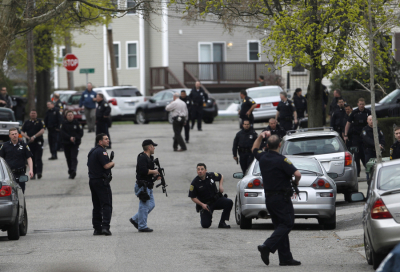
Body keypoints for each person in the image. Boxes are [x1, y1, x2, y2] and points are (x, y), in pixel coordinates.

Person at [252, 132, 302, 267]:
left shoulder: (262, 156)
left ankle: (285, 258)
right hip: (281, 198)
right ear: (280, 145)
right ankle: (267, 246)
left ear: (267, 146)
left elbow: (254, 149)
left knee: (280, 226)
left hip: (269, 198)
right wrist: (296, 183)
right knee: (287, 223)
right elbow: (297, 174)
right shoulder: (282, 160)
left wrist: (260, 136)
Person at [188, 163, 233, 229]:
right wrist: (202, 204)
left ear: (205, 170)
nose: (200, 171)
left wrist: (220, 186)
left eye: (202, 169)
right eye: (198, 169)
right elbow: (193, 197)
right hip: (206, 205)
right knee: (205, 225)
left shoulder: (211, 175)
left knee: (229, 202)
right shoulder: (195, 183)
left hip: (216, 200)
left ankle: (222, 222)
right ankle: (207, 215)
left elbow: (221, 176)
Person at [130, 139, 160, 233]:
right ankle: (142, 226)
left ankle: (135, 219)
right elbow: (142, 171)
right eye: (153, 146)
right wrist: (154, 171)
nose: (154, 148)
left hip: (148, 185)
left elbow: (148, 172)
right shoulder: (142, 157)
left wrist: (156, 176)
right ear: (149, 147)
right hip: (143, 186)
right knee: (144, 206)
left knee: (151, 204)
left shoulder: (149, 157)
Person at [87, 133, 114, 236]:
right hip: (101, 181)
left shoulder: (92, 151)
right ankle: (105, 227)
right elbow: (106, 166)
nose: (108, 140)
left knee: (97, 205)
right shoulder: (102, 151)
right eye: (106, 139)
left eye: (108, 139)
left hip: (93, 181)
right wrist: (113, 163)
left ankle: (97, 228)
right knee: (107, 204)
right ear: (100, 142)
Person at [0, 128, 34, 193]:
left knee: (21, 192)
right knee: (11, 193)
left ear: (18, 135)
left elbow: (29, 158)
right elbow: (0, 159)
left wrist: (31, 170)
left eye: (16, 134)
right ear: (9, 136)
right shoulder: (5, 146)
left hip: (20, 173)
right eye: (12, 134)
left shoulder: (23, 145)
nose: (14, 135)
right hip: (8, 174)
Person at [344, 98, 371, 177]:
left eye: (363, 104)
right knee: (356, 155)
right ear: (358, 104)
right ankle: (357, 172)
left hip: (365, 137)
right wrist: (345, 135)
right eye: (360, 104)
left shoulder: (368, 112)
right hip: (356, 137)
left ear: (364, 104)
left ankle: (368, 171)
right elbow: (348, 123)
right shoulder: (354, 113)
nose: (361, 105)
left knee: (365, 154)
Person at [21, 110, 45, 180]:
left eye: (34, 113)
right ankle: (33, 174)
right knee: (32, 159)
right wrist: (28, 137)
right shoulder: (27, 122)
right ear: (29, 114)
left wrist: (34, 136)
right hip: (29, 143)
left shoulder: (40, 121)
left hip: (38, 142)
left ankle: (39, 172)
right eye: (32, 113)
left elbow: (42, 130)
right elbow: (22, 132)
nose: (33, 115)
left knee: (38, 158)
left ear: (36, 114)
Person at [61, 111, 84, 179]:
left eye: (71, 115)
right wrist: (69, 137)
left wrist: (75, 138)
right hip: (66, 143)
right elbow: (62, 133)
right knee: (68, 158)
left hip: (75, 144)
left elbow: (81, 133)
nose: (70, 116)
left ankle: (73, 170)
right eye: (69, 115)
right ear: (66, 116)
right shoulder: (64, 124)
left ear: (73, 116)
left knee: (73, 157)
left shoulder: (77, 123)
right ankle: (70, 170)